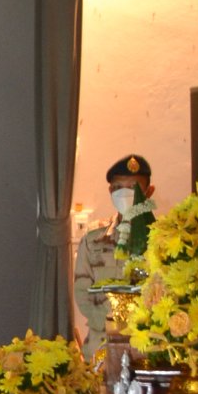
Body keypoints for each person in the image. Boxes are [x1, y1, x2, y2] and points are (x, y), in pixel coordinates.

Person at [73, 153, 156, 357]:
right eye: (118, 188)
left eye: (133, 188)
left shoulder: (163, 239)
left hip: (150, 347)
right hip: (103, 345)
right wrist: (113, 324)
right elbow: (82, 292)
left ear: (149, 192)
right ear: (110, 191)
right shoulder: (94, 240)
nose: (125, 194)